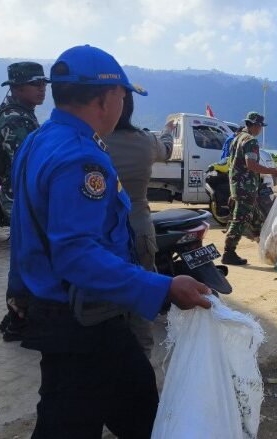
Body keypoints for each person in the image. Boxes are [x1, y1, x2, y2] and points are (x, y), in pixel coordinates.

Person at [7, 45, 212, 437]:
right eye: (122, 95)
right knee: (121, 414)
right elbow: (77, 254)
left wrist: (18, 291)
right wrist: (164, 285)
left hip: (56, 308)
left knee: (95, 410)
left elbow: (23, 229)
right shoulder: (82, 158)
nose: (122, 104)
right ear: (105, 98)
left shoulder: (39, 140)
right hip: (81, 316)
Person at [105, 93, 174, 358]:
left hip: (103, 233)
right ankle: (142, 361)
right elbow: (167, 149)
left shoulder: (90, 142)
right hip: (140, 229)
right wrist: (168, 130)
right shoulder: (145, 141)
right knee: (141, 297)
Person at [0, 62, 49, 343]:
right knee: (25, 257)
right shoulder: (14, 118)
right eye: (35, 83)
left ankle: (17, 315)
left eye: (43, 83)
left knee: (26, 256)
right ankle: (18, 319)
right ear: (16, 87)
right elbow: (25, 162)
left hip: (24, 195)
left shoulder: (24, 114)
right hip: (19, 198)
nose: (42, 89)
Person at [223, 111, 277, 266]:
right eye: (260, 126)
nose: (260, 130)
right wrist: (274, 171)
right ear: (256, 126)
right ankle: (228, 252)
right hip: (245, 188)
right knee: (240, 220)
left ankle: (267, 250)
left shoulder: (237, 138)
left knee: (257, 220)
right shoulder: (250, 141)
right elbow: (251, 165)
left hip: (239, 185)